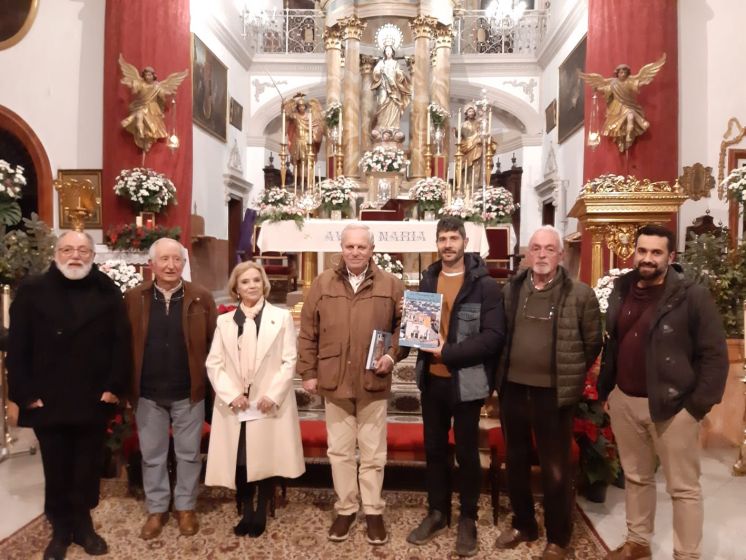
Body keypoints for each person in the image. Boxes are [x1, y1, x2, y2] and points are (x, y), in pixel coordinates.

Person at [597, 224, 728, 560]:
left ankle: (686, 555)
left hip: (672, 406)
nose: (647, 258)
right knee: (636, 477)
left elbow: (714, 355)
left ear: (670, 257)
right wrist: (609, 391)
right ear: (634, 252)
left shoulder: (691, 295)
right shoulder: (622, 287)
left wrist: (695, 408)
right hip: (626, 400)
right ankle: (638, 543)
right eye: (642, 251)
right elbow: (613, 341)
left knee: (683, 488)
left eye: (656, 253)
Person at [7, 230, 131, 560]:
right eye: (67, 249)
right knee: (57, 467)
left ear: (92, 256)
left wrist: (114, 387)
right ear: (56, 254)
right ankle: (60, 531)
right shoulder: (33, 291)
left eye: (82, 250)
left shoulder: (106, 289)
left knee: (87, 467)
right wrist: (25, 393)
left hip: (93, 398)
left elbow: (122, 343)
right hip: (48, 398)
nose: (75, 256)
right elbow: (17, 348)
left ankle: (84, 526)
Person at [495, 225, 602, 560]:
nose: (541, 255)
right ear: (528, 254)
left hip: (553, 394)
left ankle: (558, 537)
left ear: (560, 254)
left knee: (555, 467)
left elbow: (592, 342)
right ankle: (524, 523)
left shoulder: (580, 294)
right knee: (516, 460)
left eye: (549, 249)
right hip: (513, 388)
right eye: (536, 248)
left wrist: (567, 373)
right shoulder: (511, 289)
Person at [297, 223, 404, 546]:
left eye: (362, 247)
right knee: (340, 451)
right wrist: (308, 372)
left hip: (374, 377)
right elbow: (307, 330)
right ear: (341, 249)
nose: (355, 252)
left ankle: (372, 511)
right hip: (334, 378)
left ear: (372, 249)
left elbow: (406, 326)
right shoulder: (322, 283)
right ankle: (345, 509)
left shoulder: (391, 284)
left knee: (373, 453)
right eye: (350, 247)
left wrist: (394, 355)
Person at [406, 216, 505, 557]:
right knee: (434, 449)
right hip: (432, 379)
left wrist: (448, 351)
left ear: (465, 241)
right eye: (442, 239)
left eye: (453, 238)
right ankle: (437, 512)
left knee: (466, 453)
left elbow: (493, 338)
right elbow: (418, 326)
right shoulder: (428, 277)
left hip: (467, 382)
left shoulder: (484, 285)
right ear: (437, 243)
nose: (447, 245)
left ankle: (467, 517)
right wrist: (399, 344)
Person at [124, 238, 217, 540]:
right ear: (152, 264)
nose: (170, 265)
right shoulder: (134, 298)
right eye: (164, 259)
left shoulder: (201, 298)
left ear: (183, 263)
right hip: (148, 392)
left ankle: (186, 507)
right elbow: (124, 345)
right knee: (152, 455)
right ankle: (156, 509)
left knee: (188, 454)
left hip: (188, 390)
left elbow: (214, 345)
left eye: (176, 260)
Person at [204, 261, 305, 537]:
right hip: (237, 403)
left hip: (267, 403)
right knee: (242, 459)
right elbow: (214, 363)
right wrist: (230, 394)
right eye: (245, 281)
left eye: (256, 281)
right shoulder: (225, 321)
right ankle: (246, 508)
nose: (251, 286)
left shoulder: (280, 317)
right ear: (236, 288)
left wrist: (273, 394)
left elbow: (289, 360)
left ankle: (261, 511)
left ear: (264, 284)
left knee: (266, 456)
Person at [579, 54, 666, 152]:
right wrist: (597, 89)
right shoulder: (613, 83)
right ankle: (625, 136)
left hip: (628, 105)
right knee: (620, 125)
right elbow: (605, 89)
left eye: (624, 71)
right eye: (620, 72)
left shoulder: (629, 81)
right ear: (617, 73)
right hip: (616, 109)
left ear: (627, 73)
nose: (622, 73)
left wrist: (642, 82)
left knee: (630, 114)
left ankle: (629, 134)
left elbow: (636, 84)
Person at [118, 54, 188, 152]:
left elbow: (162, 97)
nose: (148, 76)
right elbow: (134, 91)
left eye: (150, 75)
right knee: (139, 118)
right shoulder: (140, 84)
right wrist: (133, 85)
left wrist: (169, 93)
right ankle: (140, 132)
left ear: (153, 75)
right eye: (146, 75)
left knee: (152, 127)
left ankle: (146, 137)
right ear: (144, 75)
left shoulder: (157, 87)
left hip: (152, 109)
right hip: (141, 106)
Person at [371, 43, 411, 132]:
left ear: (392, 52)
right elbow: (375, 74)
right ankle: (381, 126)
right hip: (383, 87)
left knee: (394, 105)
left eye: (389, 51)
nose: (388, 52)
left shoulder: (396, 63)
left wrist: (397, 74)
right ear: (384, 52)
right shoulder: (381, 63)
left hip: (394, 88)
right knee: (381, 104)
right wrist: (379, 71)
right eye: (386, 51)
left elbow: (401, 75)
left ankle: (393, 127)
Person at [282, 93, 324, 177]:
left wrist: (315, 136)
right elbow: (286, 115)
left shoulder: (310, 116)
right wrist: (284, 105)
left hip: (307, 141)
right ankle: (296, 181)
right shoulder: (295, 115)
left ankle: (307, 180)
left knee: (306, 161)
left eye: (303, 106)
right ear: (297, 107)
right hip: (297, 140)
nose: (302, 107)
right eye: (300, 106)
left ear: (305, 107)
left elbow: (317, 125)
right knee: (296, 161)